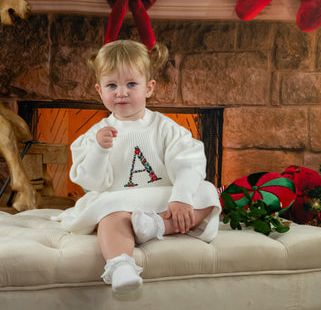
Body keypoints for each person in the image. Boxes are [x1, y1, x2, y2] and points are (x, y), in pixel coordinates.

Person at [53, 40, 221, 293]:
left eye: (131, 84)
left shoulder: (165, 128)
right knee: (110, 218)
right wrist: (100, 150)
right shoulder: (96, 135)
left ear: (149, 88)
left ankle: (155, 226)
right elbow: (91, 183)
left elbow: (188, 161)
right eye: (112, 85)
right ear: (100, 91)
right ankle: (121, 266)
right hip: (119, 201)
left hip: (162, 199)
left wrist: (181, 197)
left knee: (207, 193)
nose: (121, 92)